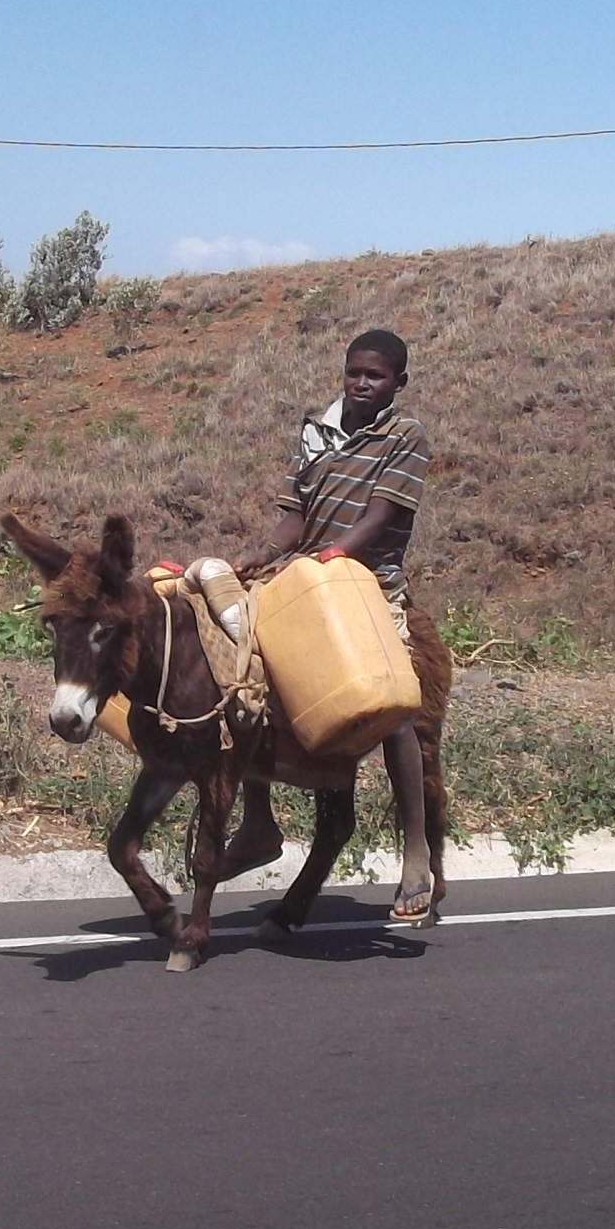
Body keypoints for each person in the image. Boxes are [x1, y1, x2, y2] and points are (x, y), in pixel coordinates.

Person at [239, 328, 439, 924]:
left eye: (375, 376)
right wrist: (262, 554)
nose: (360, 383)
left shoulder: (405, 437)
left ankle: (417, 851)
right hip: (307, 583)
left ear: (397, 384)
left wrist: (339, 555)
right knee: (245, 674)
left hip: (367, 586)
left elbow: (381, 518)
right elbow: (294, 518)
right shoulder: (316, 434)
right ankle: (257, 821)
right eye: (354, 372)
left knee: (393, 706)